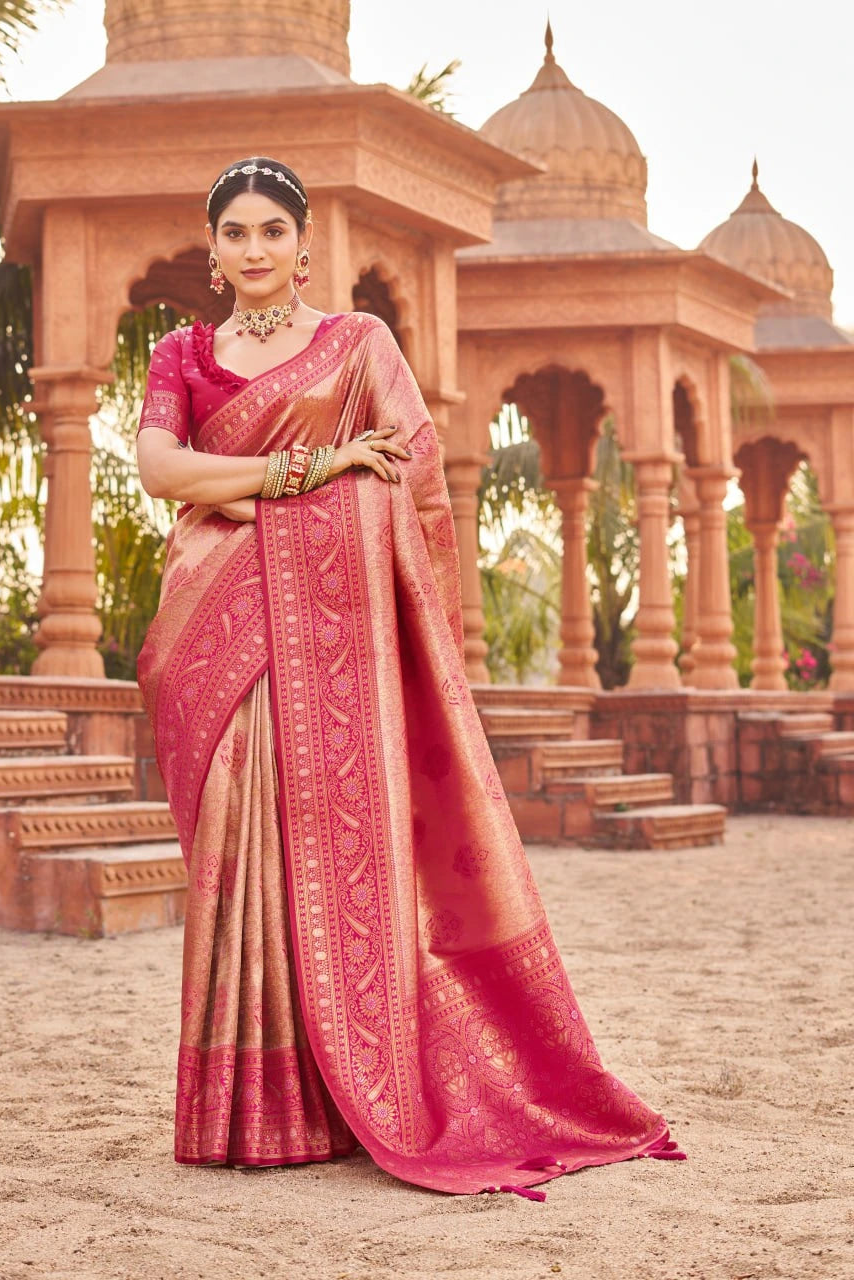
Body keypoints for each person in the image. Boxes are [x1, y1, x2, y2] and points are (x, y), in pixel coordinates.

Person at [135, 156, 685, 1199]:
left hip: (331, 637)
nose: (254, 250)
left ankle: (336, 1095)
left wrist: (253, 496)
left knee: (321, 851)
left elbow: (407, 478)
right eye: (235, 233)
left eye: (272, 232)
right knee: (240, 839)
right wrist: (307, 472)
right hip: (217, 635)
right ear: (212, 249)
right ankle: (253, 1104)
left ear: (304, 247)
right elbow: (162, 471)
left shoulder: (357, 346)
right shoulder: (182, 351)